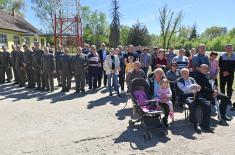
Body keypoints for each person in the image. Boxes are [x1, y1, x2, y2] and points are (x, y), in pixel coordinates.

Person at [177, 68, 213, 133]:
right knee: (192, 104)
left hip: (196, 94)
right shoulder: (179, 81)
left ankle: (205, 125)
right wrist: (193, 86)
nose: (186, 75)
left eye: (187, 73)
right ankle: (195, 124)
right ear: (181, 74)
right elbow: (184, 90)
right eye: (184, 73)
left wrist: (198, 88)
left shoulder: (192, 79)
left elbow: (198, 88)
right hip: (186, 96)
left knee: (208, 104)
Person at [218, 44, 235, 110]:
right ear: (225, 49)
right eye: (227, 48)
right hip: (222, 74)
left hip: (230, 74)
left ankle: (228, 99)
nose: (229, 49)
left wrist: (229, 72)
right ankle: (223, 99)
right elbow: (220, 64)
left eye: (230, 48)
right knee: (222, 87)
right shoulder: (222, 55)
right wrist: (224, 72)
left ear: (232, 48)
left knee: (229, 88)